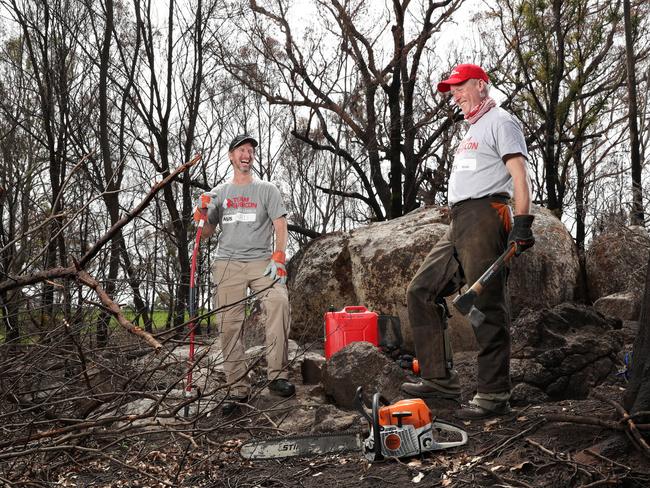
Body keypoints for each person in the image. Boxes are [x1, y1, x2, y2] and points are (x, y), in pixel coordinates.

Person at [401, 64, 535, 420]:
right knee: (421, 291)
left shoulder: (501, 121)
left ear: (481, 85)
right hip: (459, 219)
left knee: (487, 305)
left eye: (460, 88)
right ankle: (438, 379)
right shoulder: (471, 129)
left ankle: (493, 394)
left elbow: (520, 174)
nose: (455, 96)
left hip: (486, 215)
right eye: (452, 90)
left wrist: (522, 221)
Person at [195, 134, 295, 416]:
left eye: (250, 150)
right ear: (231, 156)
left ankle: (278, 376)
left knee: (279, 303)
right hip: (227, 264)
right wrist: (201, 210)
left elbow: (280, 223)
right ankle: (238, 387)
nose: (247, 154)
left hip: (262, 262)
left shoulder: (267, 190)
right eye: (241, 150)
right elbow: (206, 233)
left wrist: (279, 256)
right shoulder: (219, 193)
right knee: (228, 324)